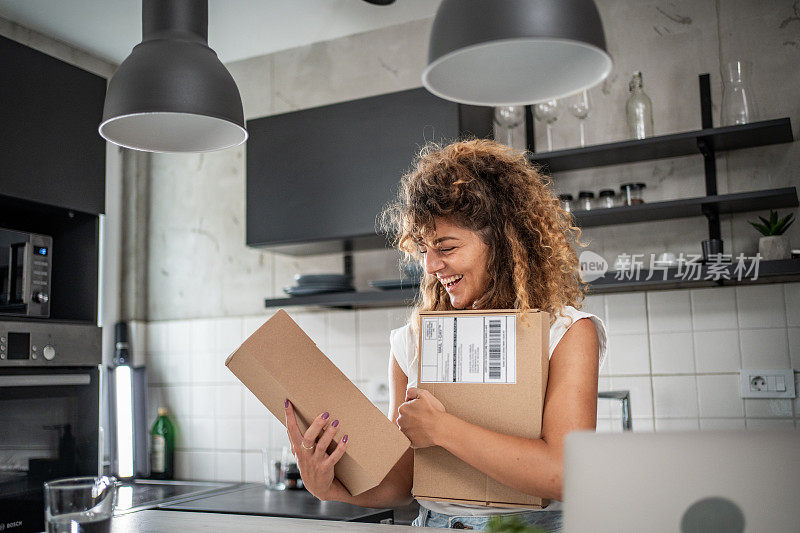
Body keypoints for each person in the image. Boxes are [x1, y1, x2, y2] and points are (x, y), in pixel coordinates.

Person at [283, 139, 608, 531]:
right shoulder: (412, 342)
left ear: (503, 242)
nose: (432, 265)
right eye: (423, 249)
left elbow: (564, 474)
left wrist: (442, 429)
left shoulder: (567, 333)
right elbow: (403, 482)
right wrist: (329, 487)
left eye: (446, 247)